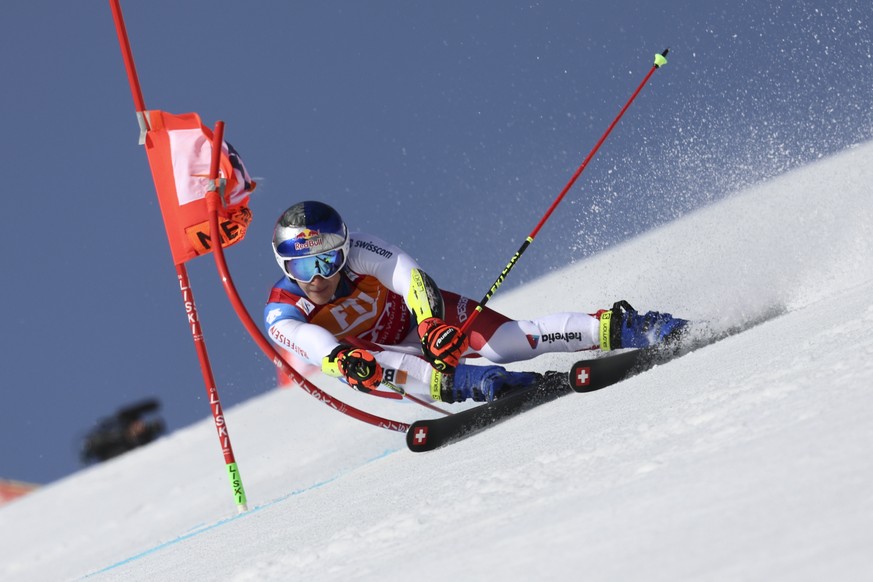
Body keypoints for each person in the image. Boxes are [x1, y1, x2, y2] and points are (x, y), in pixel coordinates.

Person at [264, 201, 687, 404]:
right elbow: (314, 344)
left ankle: (626, 327)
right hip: (377, 358)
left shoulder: (362, 250)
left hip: (421, 321)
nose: (319, 277)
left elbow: (409, 276)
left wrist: (429, 324)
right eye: (303, 268)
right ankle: (479, 383)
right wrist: (342, 361)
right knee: (364, 364)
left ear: (344, 249)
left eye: (328, 260)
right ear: (285, 267)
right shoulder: (281, 311)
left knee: (510, 341)